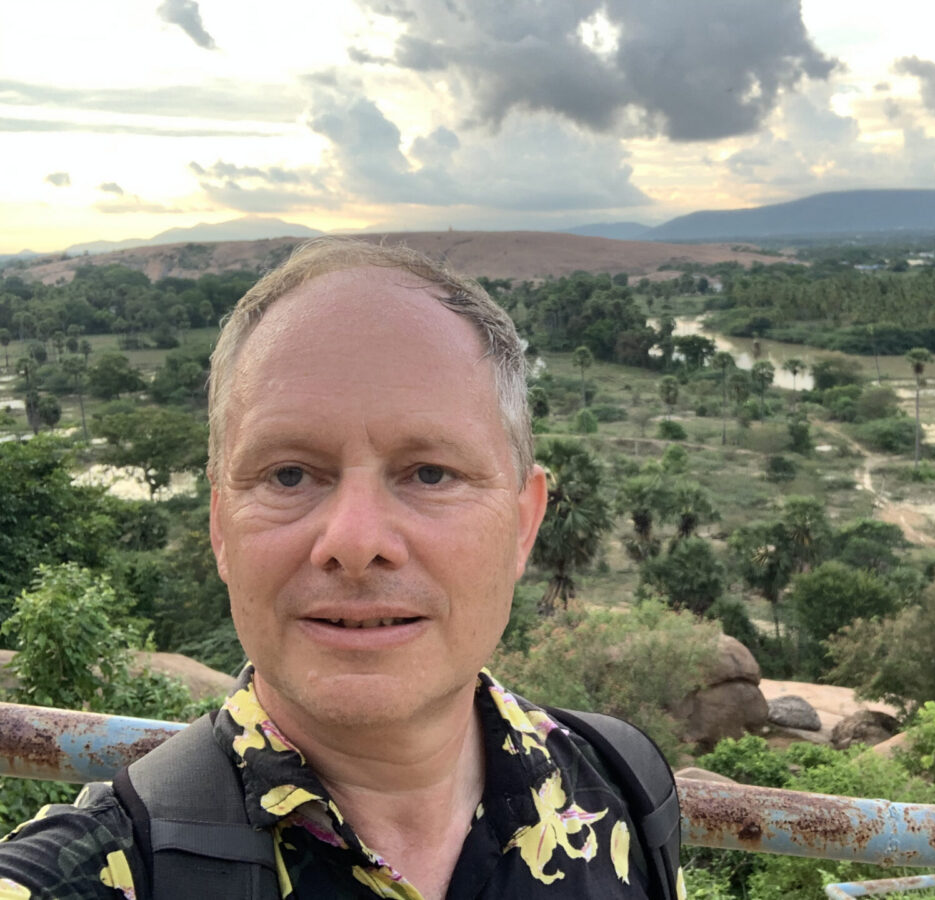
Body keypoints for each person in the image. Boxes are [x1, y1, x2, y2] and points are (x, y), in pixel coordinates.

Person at [0, 238, 682, 899]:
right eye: (289, 475)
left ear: (523, 524)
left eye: (430, 473)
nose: (355, 541)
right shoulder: (93, 872)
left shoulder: (623, 786)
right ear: (221, 527)